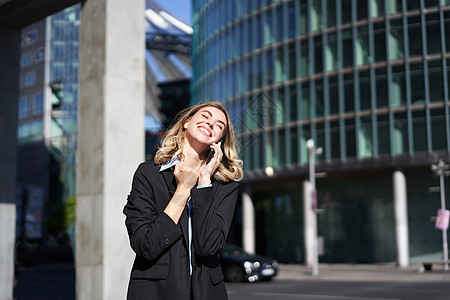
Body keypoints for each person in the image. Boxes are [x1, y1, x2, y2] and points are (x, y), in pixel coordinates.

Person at [123, 101, 243, 299]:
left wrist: (204, 182)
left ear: (220, 139)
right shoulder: (148, 175)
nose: (211, 123)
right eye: (205, 116)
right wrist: (183, 189)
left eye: (220, 125)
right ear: (187, 122)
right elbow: (146, 245)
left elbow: (207, 246)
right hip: (155, 292)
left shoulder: (225, 187)